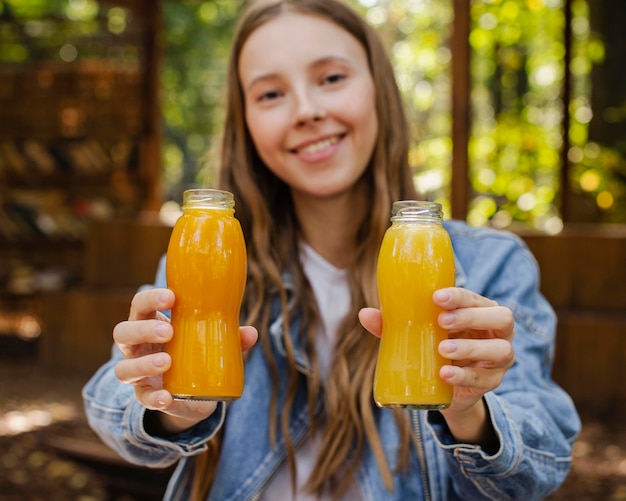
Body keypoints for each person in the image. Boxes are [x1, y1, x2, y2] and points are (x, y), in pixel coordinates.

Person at [82, 0, 581, 499]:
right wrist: (165, 404)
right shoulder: (209, 251)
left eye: (332, 78)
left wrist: (470, 411)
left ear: (379, 90)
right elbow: (111, 398)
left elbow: (542, 461)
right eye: (272, 93)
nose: (307, 111)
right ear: (246, 124)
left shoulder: (491, 265)